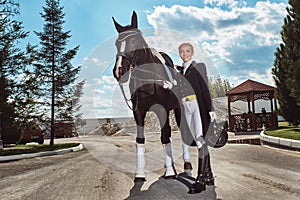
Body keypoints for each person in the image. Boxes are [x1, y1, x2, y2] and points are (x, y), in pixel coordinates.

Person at [175, 42, 216, 193]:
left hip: (196, 105)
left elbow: (205, 87)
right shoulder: (181, 72)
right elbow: (179, 90)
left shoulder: (199, 66)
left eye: (187, 51)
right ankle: (209, 175)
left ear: (192, 52)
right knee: (198, 140)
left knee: (200, 139)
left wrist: (210, 109)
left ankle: (200, 181)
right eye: (181, 52)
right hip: (186, 108)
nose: (184, 54)